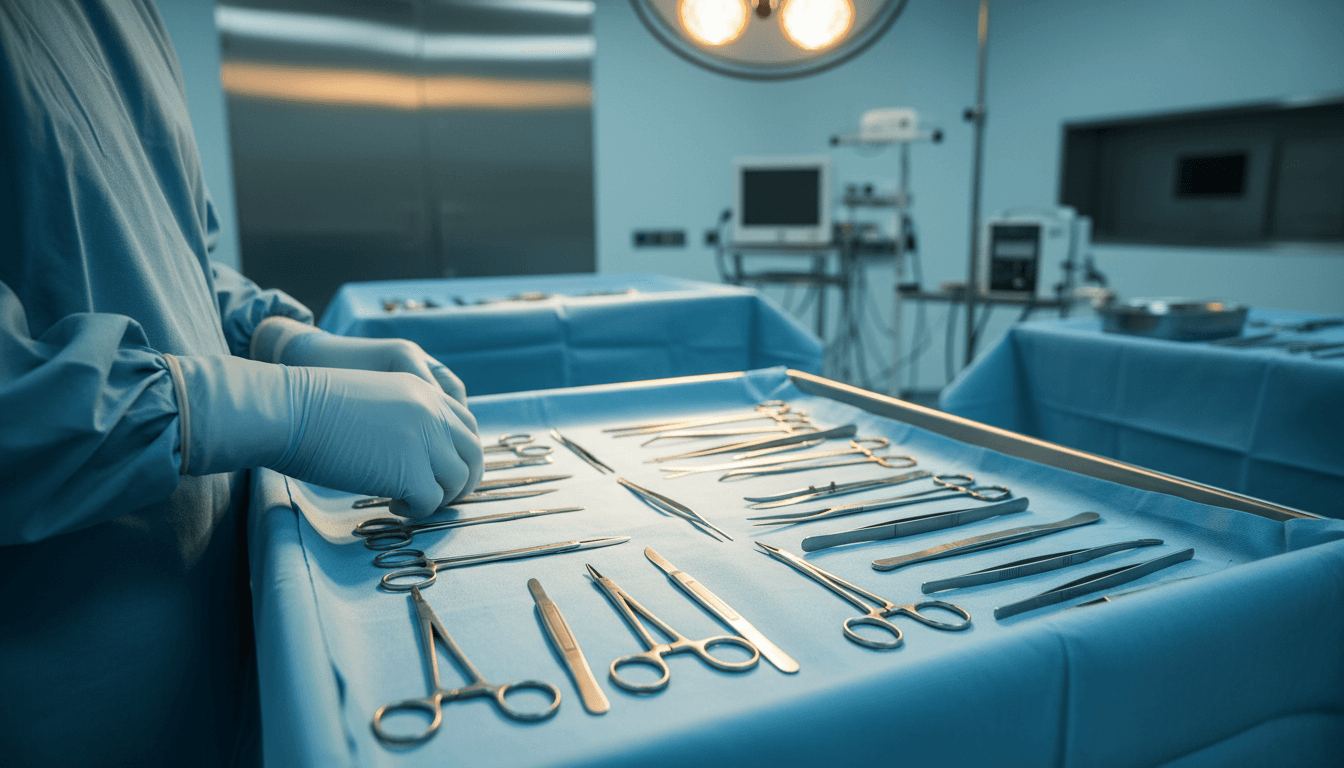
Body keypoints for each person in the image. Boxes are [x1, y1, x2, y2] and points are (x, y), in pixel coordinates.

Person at [0, 1, 484, 764]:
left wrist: (278, 338)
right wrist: (275, 410)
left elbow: (170, 253)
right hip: (67, 704)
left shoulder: (125, 14)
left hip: (220, 637)